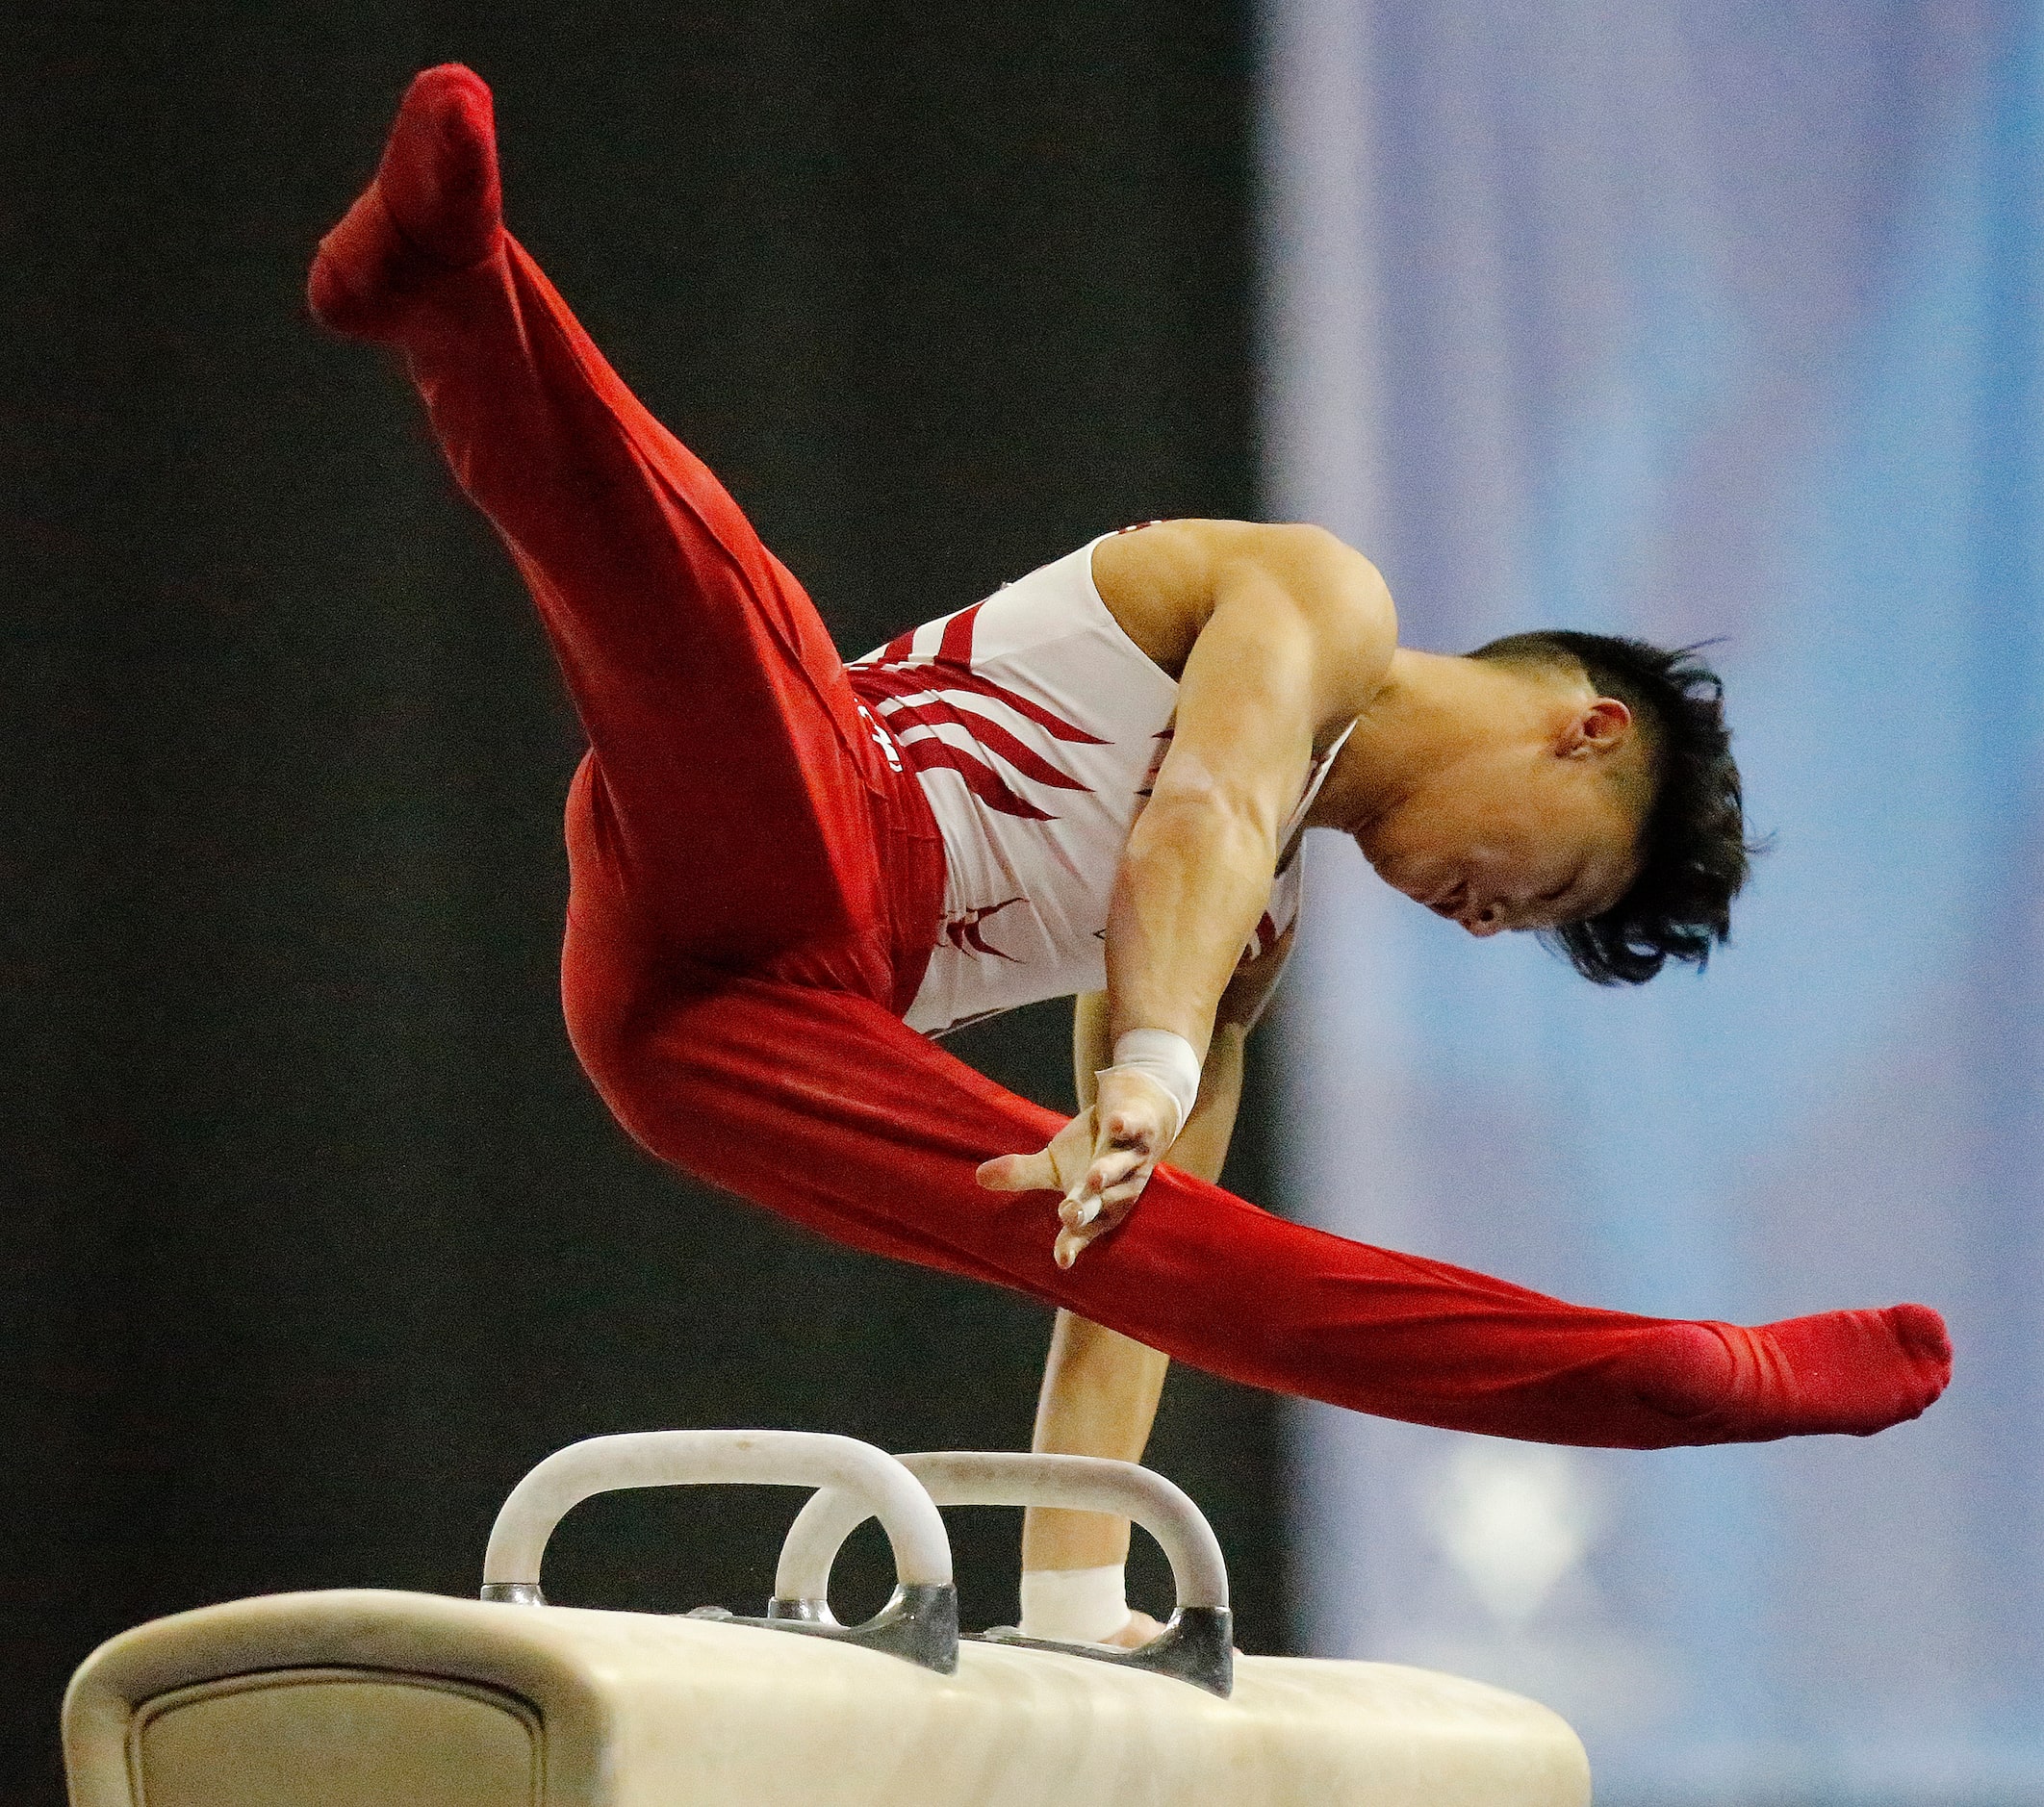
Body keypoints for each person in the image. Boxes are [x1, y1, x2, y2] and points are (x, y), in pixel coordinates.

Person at [310, 65, 1950, 1647]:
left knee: (1200, 1259)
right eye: (1558, 886)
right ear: (1582, 728)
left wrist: (1081, 1615)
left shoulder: (1246, 944)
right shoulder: (1326, 597)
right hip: (799, 827)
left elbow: (1131, 1289)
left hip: (731, 1049)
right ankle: (453, 283)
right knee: (704, 619)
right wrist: (1153, 1061)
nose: (1490, 922)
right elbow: (1207, 804)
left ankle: (1670, 1378)